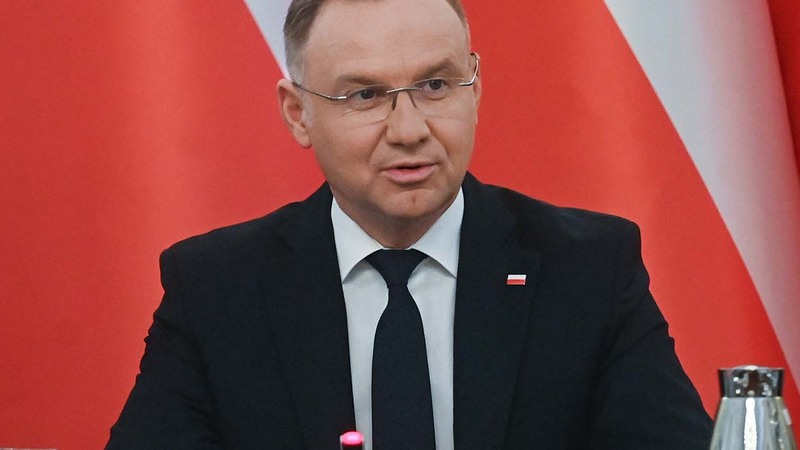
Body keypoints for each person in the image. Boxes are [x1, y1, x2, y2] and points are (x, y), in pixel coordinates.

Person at [107, 0, 713, 448]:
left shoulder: (587, 269)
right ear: (298, 113)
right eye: (365, 96)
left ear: (475, 89)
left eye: (435, 85)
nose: (409, 130)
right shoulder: (216, 287)